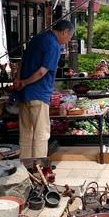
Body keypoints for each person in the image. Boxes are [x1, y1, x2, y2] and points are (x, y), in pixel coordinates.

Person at [14, 20, 75, 158]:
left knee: (26, 134)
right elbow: (42, 71)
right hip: (38, 94)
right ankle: (38, 170)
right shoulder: (53, 45)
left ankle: (26, 170)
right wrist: (24, 82)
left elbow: (21, 61)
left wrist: (19, 80)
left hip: (24, 95)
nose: (66, 42)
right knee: (41, 134)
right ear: (64, 32)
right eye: (69, 38)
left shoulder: (37, 38)